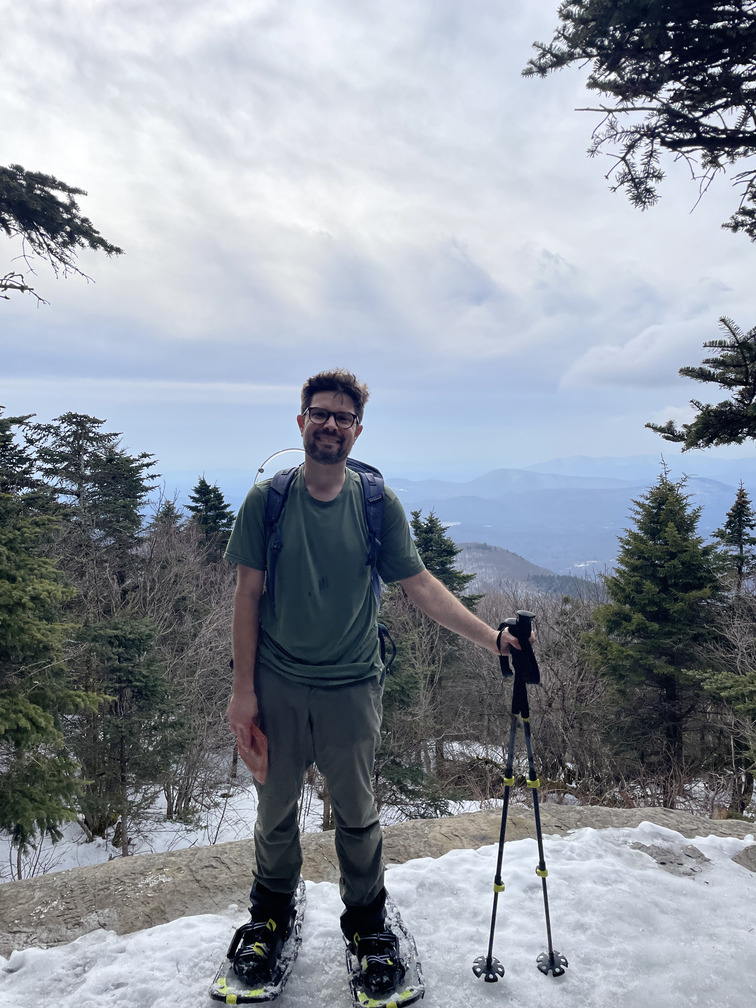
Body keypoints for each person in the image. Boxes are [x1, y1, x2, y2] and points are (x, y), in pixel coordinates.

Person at [224, 368, 519, 998]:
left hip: (353, 684)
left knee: (356, 814)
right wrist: (241, 692)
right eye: (320, 413)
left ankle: (367, 925)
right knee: (274, 810)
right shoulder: (267, 502)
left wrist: (492, 638)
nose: (331, 424)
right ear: (301, 421)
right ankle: (270, 917)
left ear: (357, 431)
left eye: (343, 417)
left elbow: (421, 588)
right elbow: (247, 597)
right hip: (275, 680)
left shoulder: (377, 506)